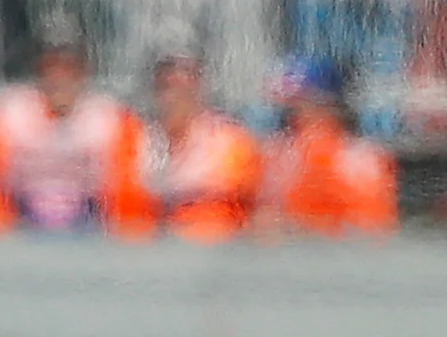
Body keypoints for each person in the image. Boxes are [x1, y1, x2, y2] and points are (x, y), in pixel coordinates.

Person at [0, 18, 149, 234]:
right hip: (18, 224)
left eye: (69, 67)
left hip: (92, 228)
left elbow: (132, 192)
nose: (59, 77)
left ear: (84, 71)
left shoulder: (113, 119)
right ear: (37, 70)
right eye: (50, 66)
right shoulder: (4, 115)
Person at [130, 39, 260, 240]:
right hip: (146, 246)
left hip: (212, 247)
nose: (175, 82)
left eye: (186, 76)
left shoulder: (229, 141)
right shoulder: (136, 138)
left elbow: (251, 202)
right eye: (166, 79)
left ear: (199, 85)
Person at [256, 57, 397, 235]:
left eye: (302, 107)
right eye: (290, 109)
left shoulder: (361, 159)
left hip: (341, 250)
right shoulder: (274, 153)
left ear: (329, 107)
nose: (292, 117)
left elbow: (370, 225)